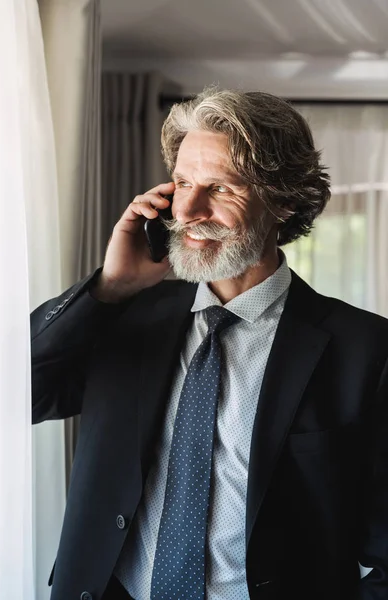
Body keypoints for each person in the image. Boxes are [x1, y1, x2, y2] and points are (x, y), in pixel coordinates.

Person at [31, 88, 388, 600]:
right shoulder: (120, 314)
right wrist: (110, 285)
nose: (189, 210)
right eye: (181, 183)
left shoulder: (367, 351)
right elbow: (16, 392)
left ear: (284, 201)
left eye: (220, 188)